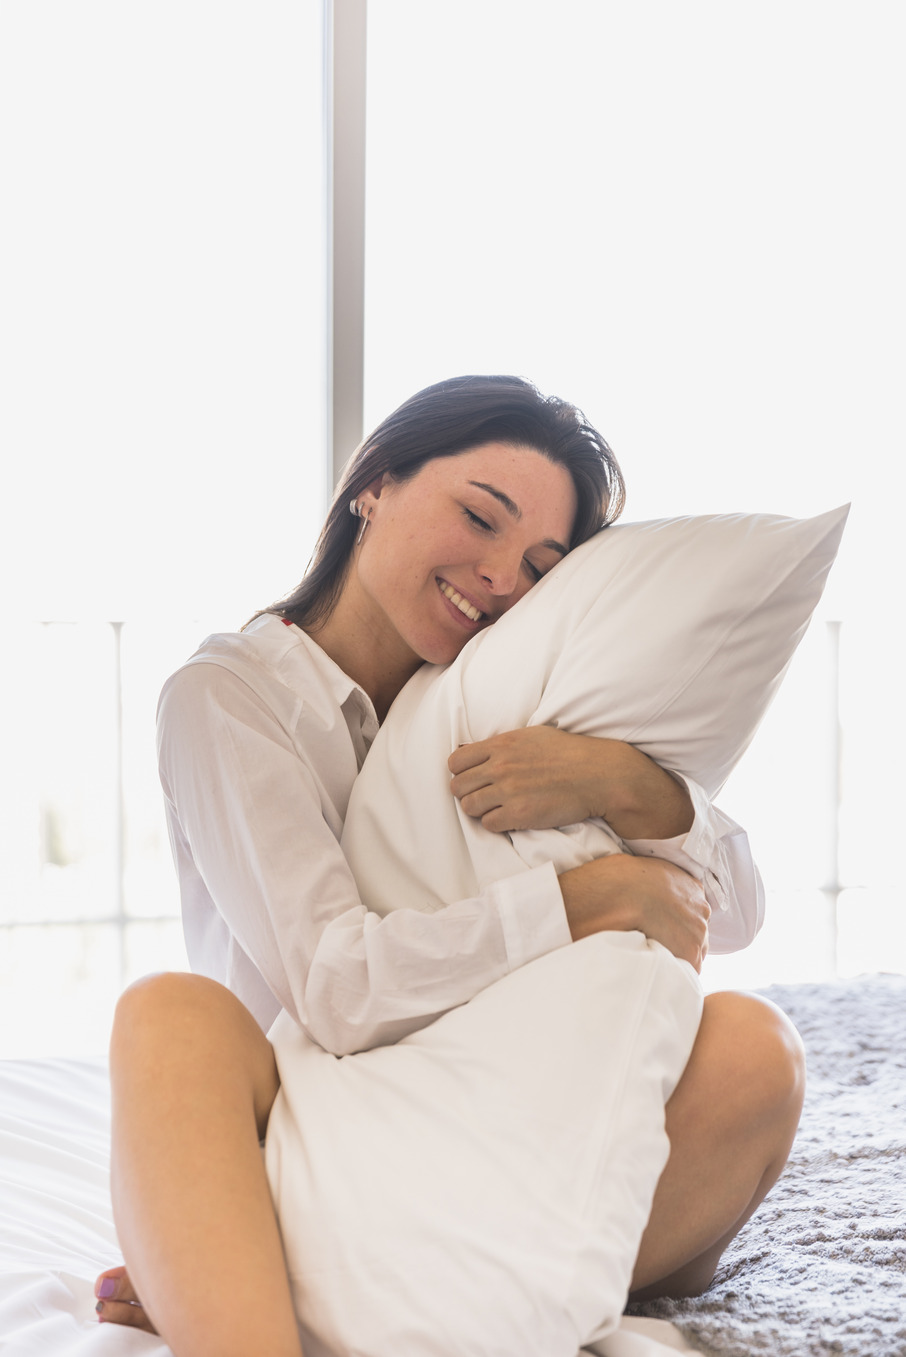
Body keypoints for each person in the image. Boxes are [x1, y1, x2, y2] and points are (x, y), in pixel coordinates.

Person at [94, 376, 805, 1353]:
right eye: (479, 516)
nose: (502, 578)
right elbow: (335, 985)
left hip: (506, 1110)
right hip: (306, 1126)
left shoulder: (502, 695)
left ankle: (300, 1282)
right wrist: (582, 900)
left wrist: (628, 786)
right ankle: (262, 1275)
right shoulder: (231, 698)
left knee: (755, 1049)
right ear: (373, 486)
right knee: (168, 1017)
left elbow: (735, 913)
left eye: (538, 567)